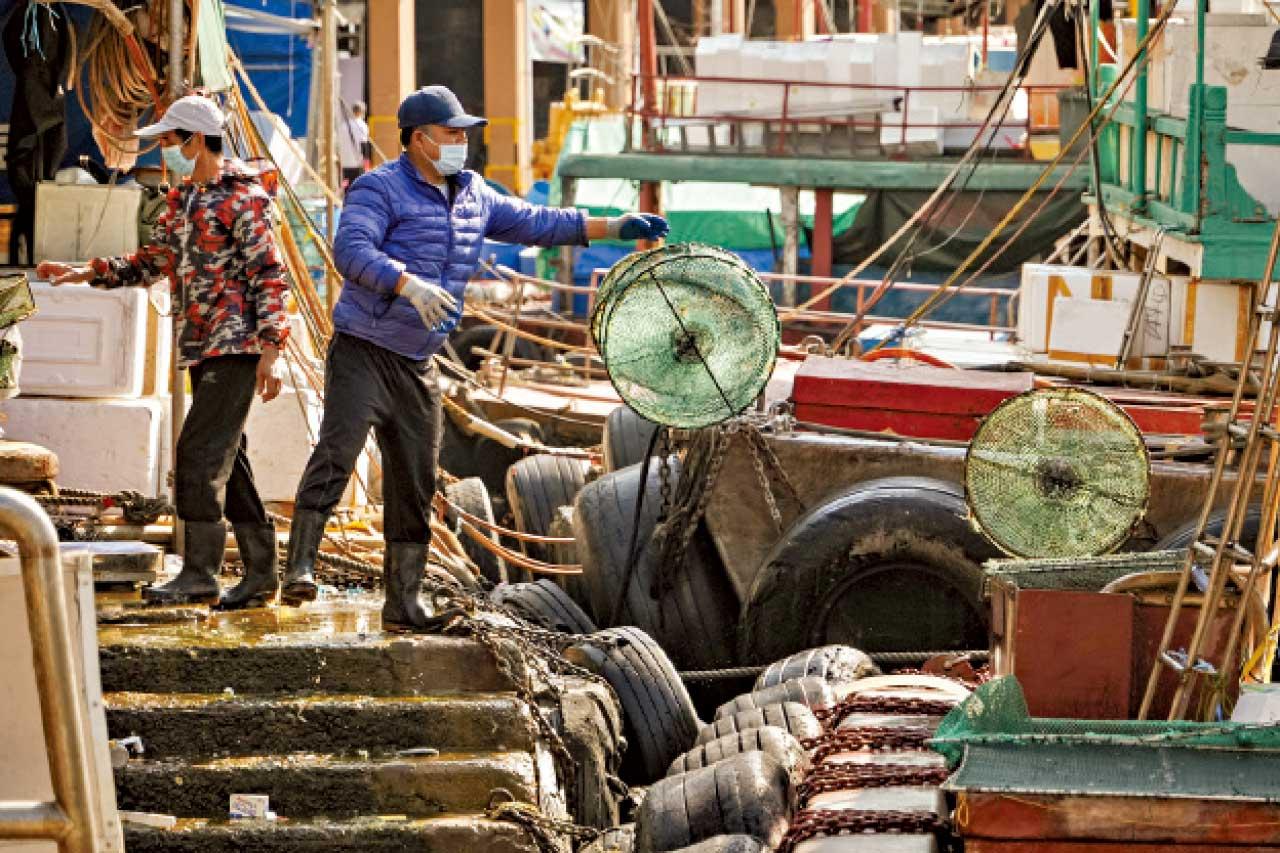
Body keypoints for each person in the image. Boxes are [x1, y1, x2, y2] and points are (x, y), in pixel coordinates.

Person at [280, 84, 668, 631]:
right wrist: (406, 283)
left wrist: (613, 226)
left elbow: (539, 222)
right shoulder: (379, 188)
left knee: (415, 479)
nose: (464, 141)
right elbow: (351, 251)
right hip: (364, 350)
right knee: (337, 452)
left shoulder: (475, 195)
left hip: (419, 362)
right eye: (452, 133)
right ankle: (299, 565)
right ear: (419, 140)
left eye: (465, 133)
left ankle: (404, 602)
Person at [36, 94, 291, 609]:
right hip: (201, 345)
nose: (164, 152)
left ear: (197, 141)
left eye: (170, 142)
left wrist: (272, 349)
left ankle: (200, 574)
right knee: (228, 459)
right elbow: (151, 261)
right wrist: (82, 272)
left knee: (197, 456)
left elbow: (269, 274)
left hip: (236, 343)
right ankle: (262, 574)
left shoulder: (244, 198)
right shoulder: (183, 201)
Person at [337, 101, 371, 189]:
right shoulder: (362, 126)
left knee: (346, 185)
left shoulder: (343, 126)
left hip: (345, 161)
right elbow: (364, 145)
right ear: (362, 112)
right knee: (357, 186)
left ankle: (346, 201)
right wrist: (366, 163)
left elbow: (339, 144)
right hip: (357, 162)